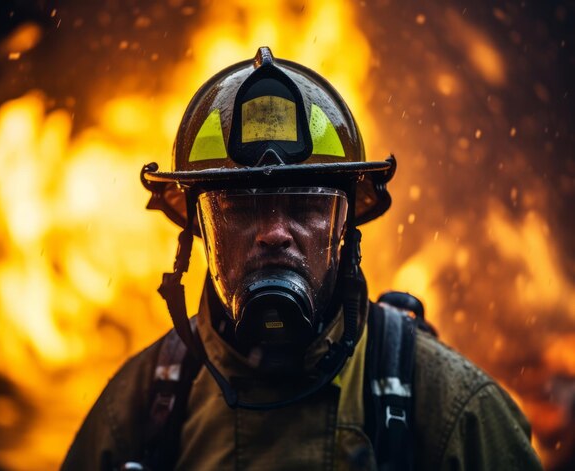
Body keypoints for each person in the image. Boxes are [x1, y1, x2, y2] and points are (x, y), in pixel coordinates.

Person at [62, 47, 542, 470]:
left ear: (344, 230)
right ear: (199, 231)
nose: (274, 233)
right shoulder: (140, 408)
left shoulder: (453, 412)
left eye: (307, 205)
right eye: (239, 207)